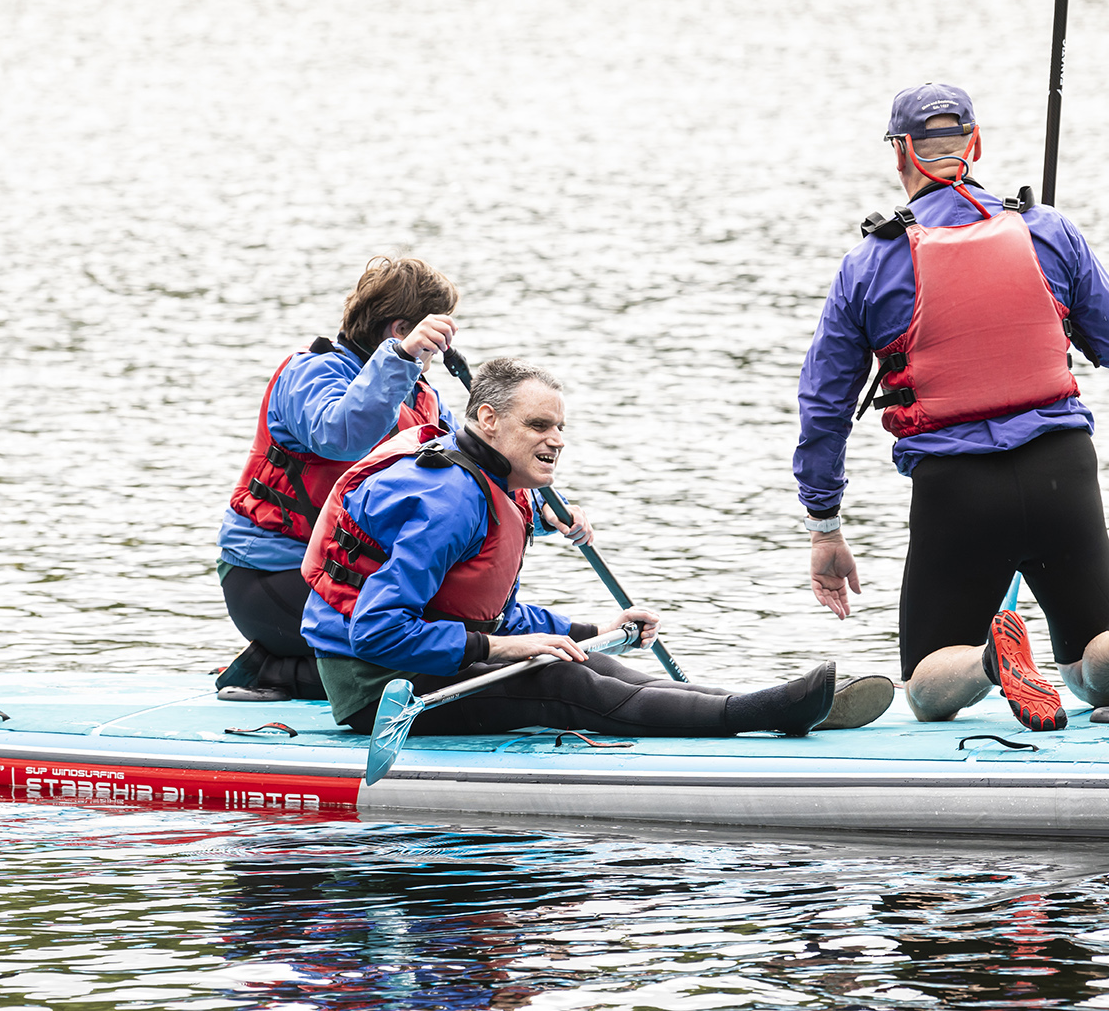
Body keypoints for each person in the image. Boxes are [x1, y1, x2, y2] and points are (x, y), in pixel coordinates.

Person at [794, 83, 1109, 731]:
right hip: (1063, 471)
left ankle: (992, 661)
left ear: (900, 153)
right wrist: (1061, 306)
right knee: (1091, 673)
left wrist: (825, 526)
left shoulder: (870, 263)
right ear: (976, 145)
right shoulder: (1048, 230)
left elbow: (824, 409)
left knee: (927, 688)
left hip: (959, 488)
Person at [302, 357, 889, 739]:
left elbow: (485, 612)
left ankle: (757, 703)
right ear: (487, 420)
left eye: (559, 427)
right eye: (538, 426)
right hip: (379, 687)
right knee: (560, 684)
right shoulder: (449, 501)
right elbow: (376, 632)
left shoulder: (496, 488)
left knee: (595, 663)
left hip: (425, 659)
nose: (556, 440)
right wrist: (502, 649)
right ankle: (755, 716)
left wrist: (593, 630)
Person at [214, 257, 562, 701]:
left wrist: (545, 509)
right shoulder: (310, 373)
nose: (439, 353)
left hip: (353, 571)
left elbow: (480, 467)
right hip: (271, 574)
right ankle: (273, 669)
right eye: (435, 339)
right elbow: (341, 437)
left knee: (451, 632)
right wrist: (402, 357)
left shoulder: (418, 393)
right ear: (401, 331)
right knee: (400, 645)